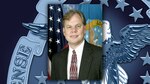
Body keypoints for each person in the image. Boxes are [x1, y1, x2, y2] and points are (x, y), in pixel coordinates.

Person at [51, 10, 102, 80]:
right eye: (69, 27)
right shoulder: (56, 59)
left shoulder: (100, 55)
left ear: (84, 29)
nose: (73, 30)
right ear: (64, 31)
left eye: (78, 26)